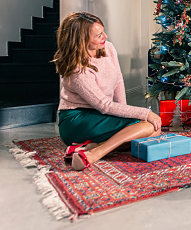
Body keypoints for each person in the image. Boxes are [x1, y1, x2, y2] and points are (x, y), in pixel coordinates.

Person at [53, 12, 162, 171]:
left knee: (153, 130)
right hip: (76, 118)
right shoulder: (77, 69)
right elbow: (104, 105)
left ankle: (89, 148)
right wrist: (145, 113)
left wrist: (126, 117)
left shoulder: (108, 47)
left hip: (101, 113)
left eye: (103, 31)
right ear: (81, 40)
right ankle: (94, 154)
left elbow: (118, 80)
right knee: (148, 125)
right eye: (98, 35)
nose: (105, 36)